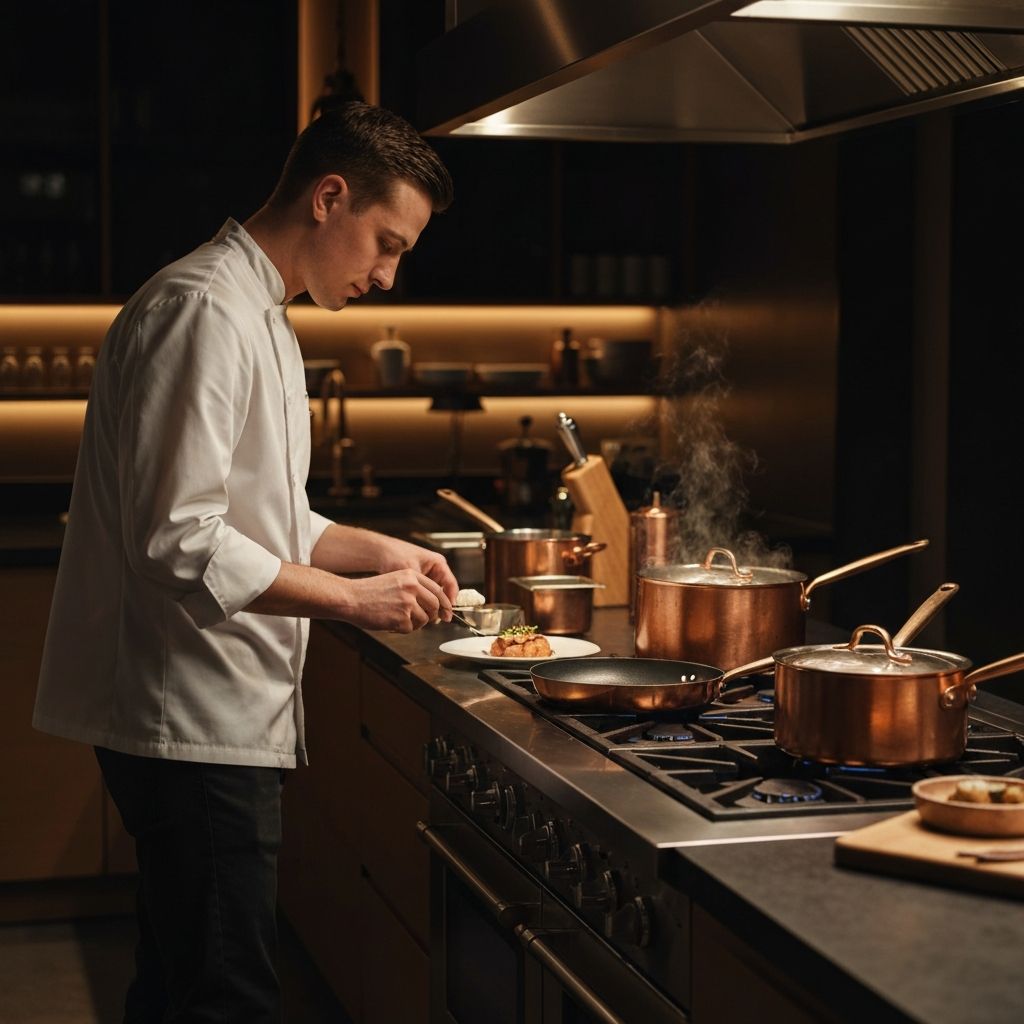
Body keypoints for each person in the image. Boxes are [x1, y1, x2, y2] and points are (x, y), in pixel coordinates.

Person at [33, 101, 458, 1023]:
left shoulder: (261, 312)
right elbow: (179, 536)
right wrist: (353, 599)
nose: (387, 277)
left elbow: (265, 516)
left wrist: (376, 548)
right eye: (385, 244)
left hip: (211, 711)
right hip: (188, 717)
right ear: (329, 197)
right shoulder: (203, 311)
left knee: (178, 985)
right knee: (229, 998)